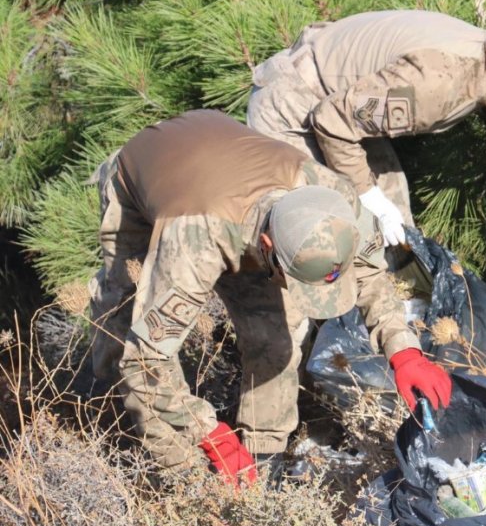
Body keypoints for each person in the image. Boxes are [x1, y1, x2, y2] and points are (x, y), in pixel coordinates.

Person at [88, 110, 451, 487]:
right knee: (125, 332)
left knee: (276, 340)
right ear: (268, 246)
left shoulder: (333, 201)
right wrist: (208, 433)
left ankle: (262, 467)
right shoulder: (194, 241)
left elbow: (370, 273)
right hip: (147, 182)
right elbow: (146, 360)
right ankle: (168, 474)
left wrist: (403, 350)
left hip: (230, 180)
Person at [246, 4, 486, 260]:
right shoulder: (438, 85)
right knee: (320, 250)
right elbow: (332, 122)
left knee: (399, 237)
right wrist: (367, 195)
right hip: (296, 106)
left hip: (347, 111)